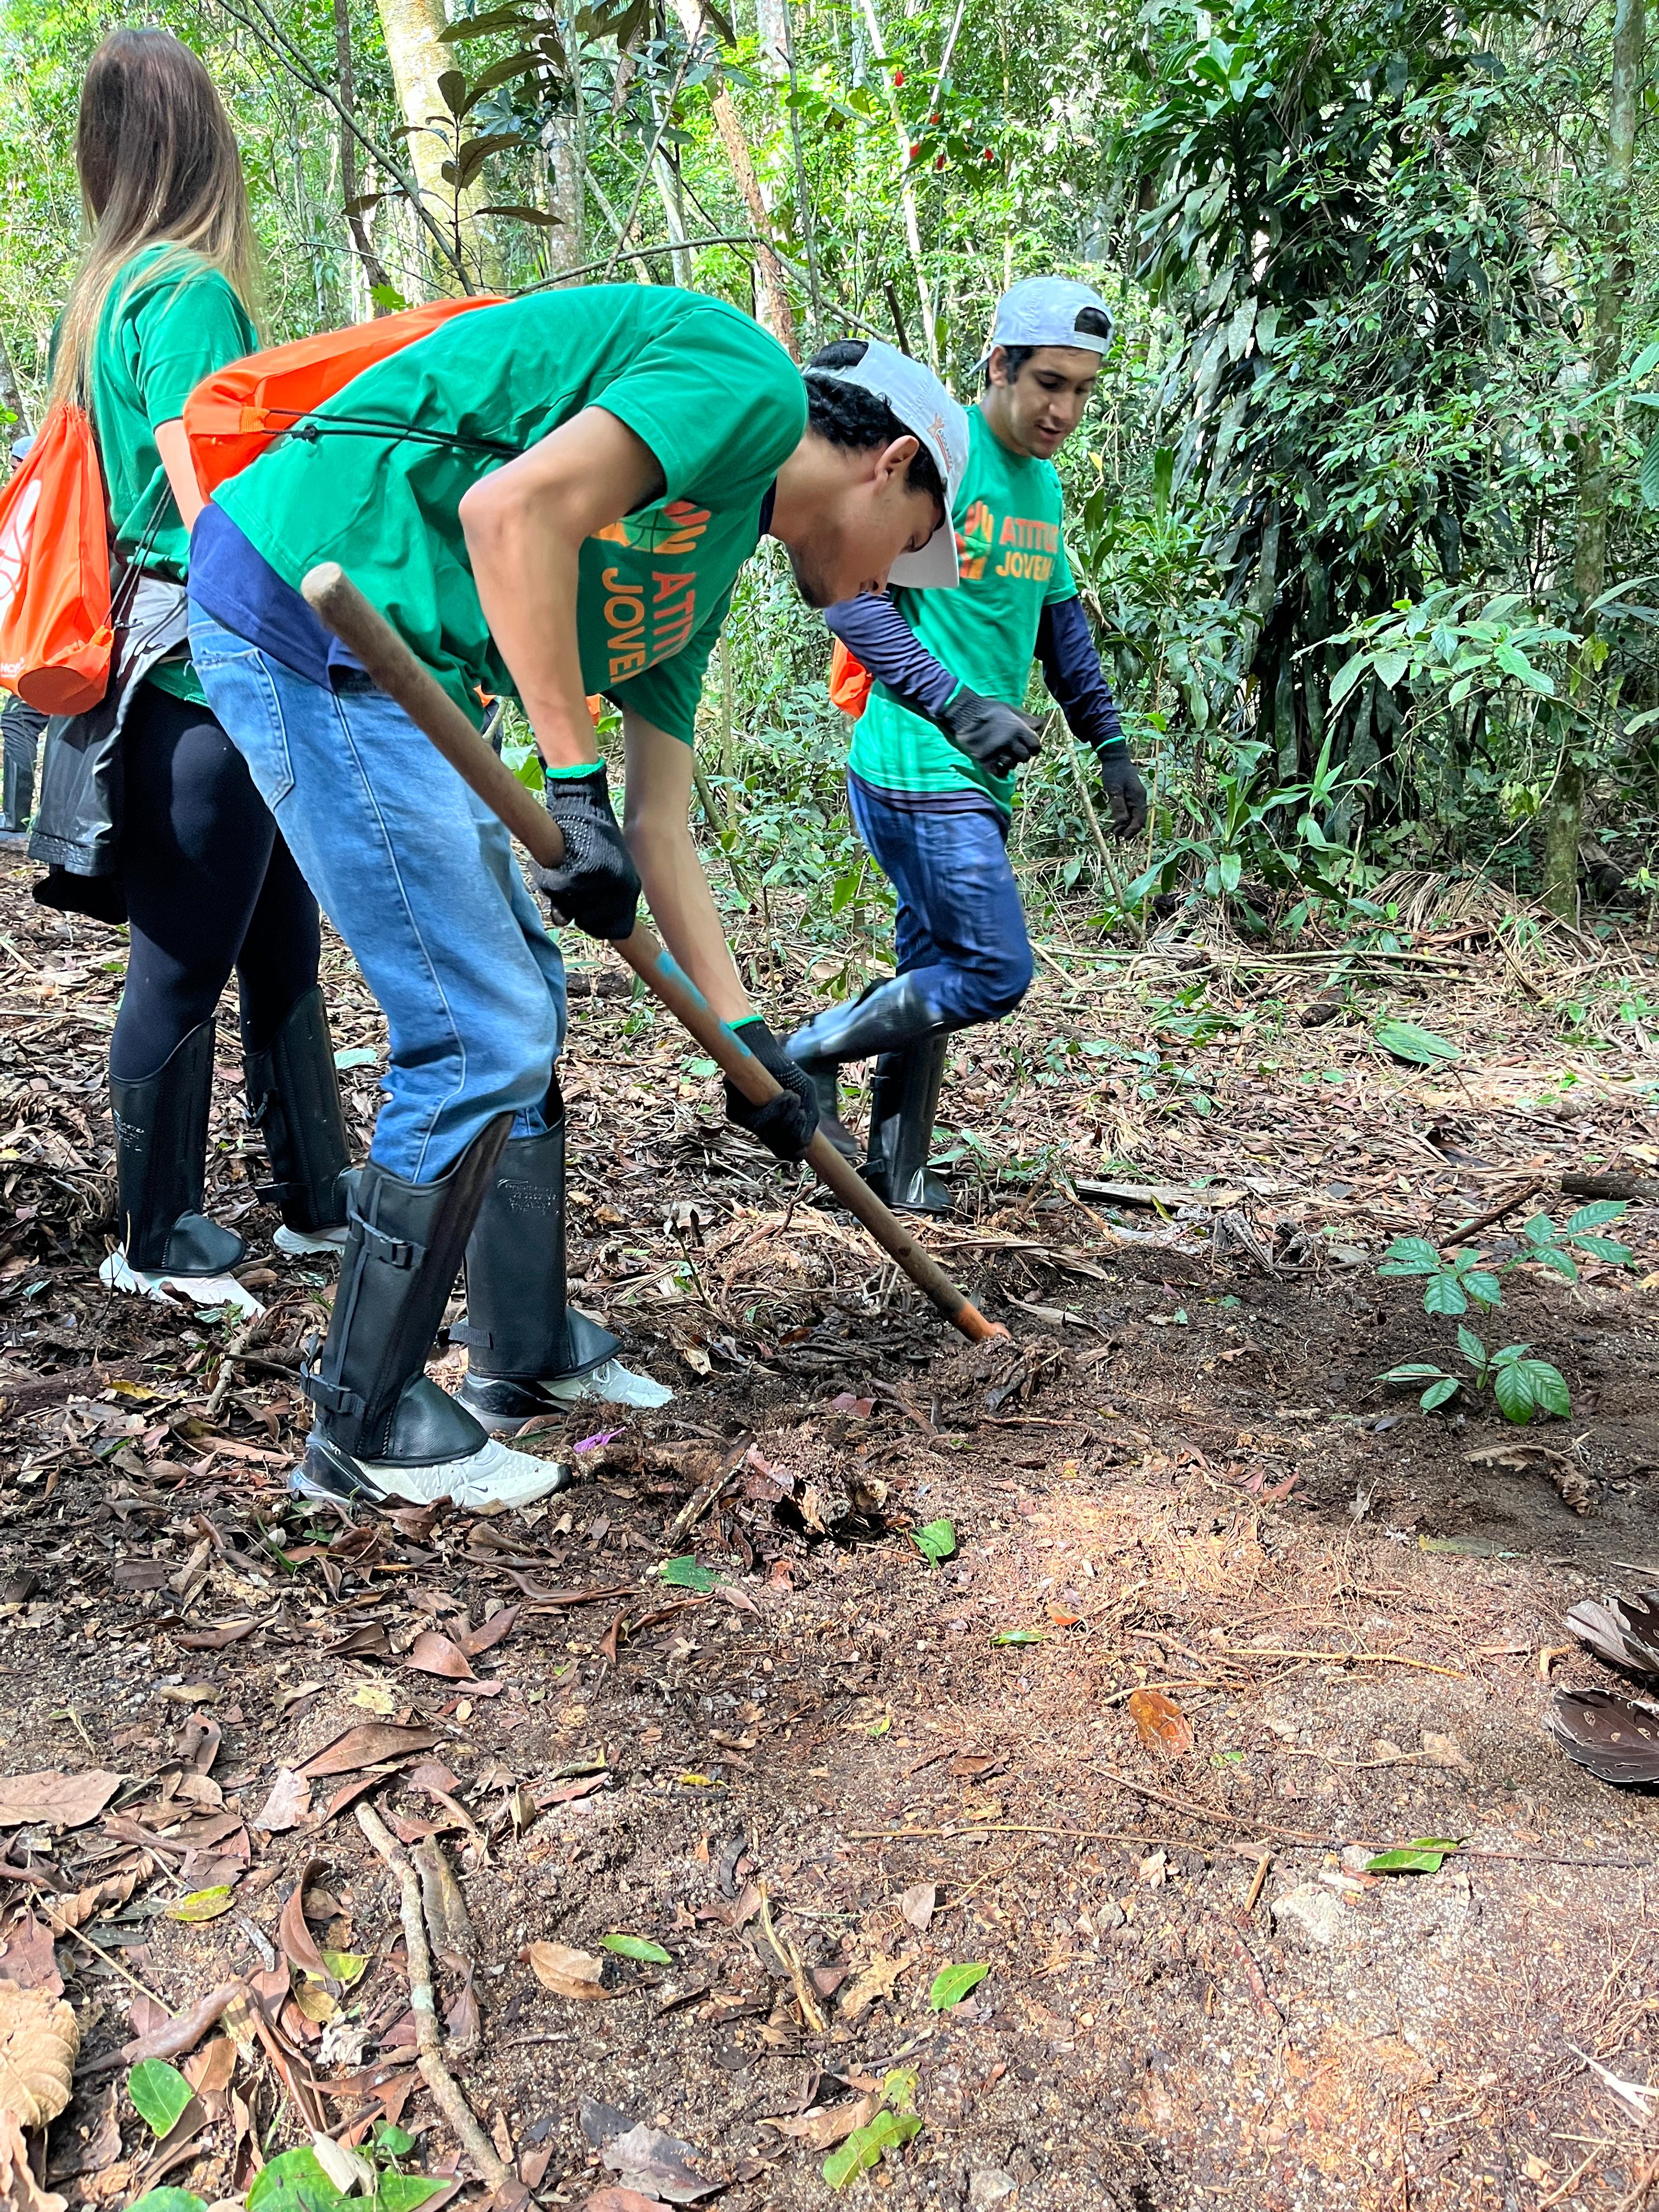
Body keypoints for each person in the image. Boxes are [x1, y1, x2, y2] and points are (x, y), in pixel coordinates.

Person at [187, 295, 967, 1511]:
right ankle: (366, 1423)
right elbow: (510, 514)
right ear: (892, 463)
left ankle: (522, 1347)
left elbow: (657, 827)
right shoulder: (747, 382)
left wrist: (749, 1041)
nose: (886, 585)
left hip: (406, 666)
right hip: (309, 611)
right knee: (479, 1024)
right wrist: (570, 782)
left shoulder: (703, 569)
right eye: (908, 546)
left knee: (525, 998)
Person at [28, 29, 350, 1286]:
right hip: (204, 674)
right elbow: (213, 492)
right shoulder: (187, 293)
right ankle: (157, 1239)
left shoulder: (109, 295)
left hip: (171, 664)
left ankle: (316, 1200)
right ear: (205, 143)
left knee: (279, 942)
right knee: (180, 963)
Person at [788, 280, 1148, 1212]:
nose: (1064, 410)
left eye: (1083, 390)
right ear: (1000, 366)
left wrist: (1110, 742)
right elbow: (851, 599)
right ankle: (806, 1052)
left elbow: (1061, 628)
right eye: (1049, 384)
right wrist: (953, 705)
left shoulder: (1044, 486)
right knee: (992, 969)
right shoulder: (943, 456)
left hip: (973, 775)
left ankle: (896, 1170)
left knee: (935, 971)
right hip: (915, 765)